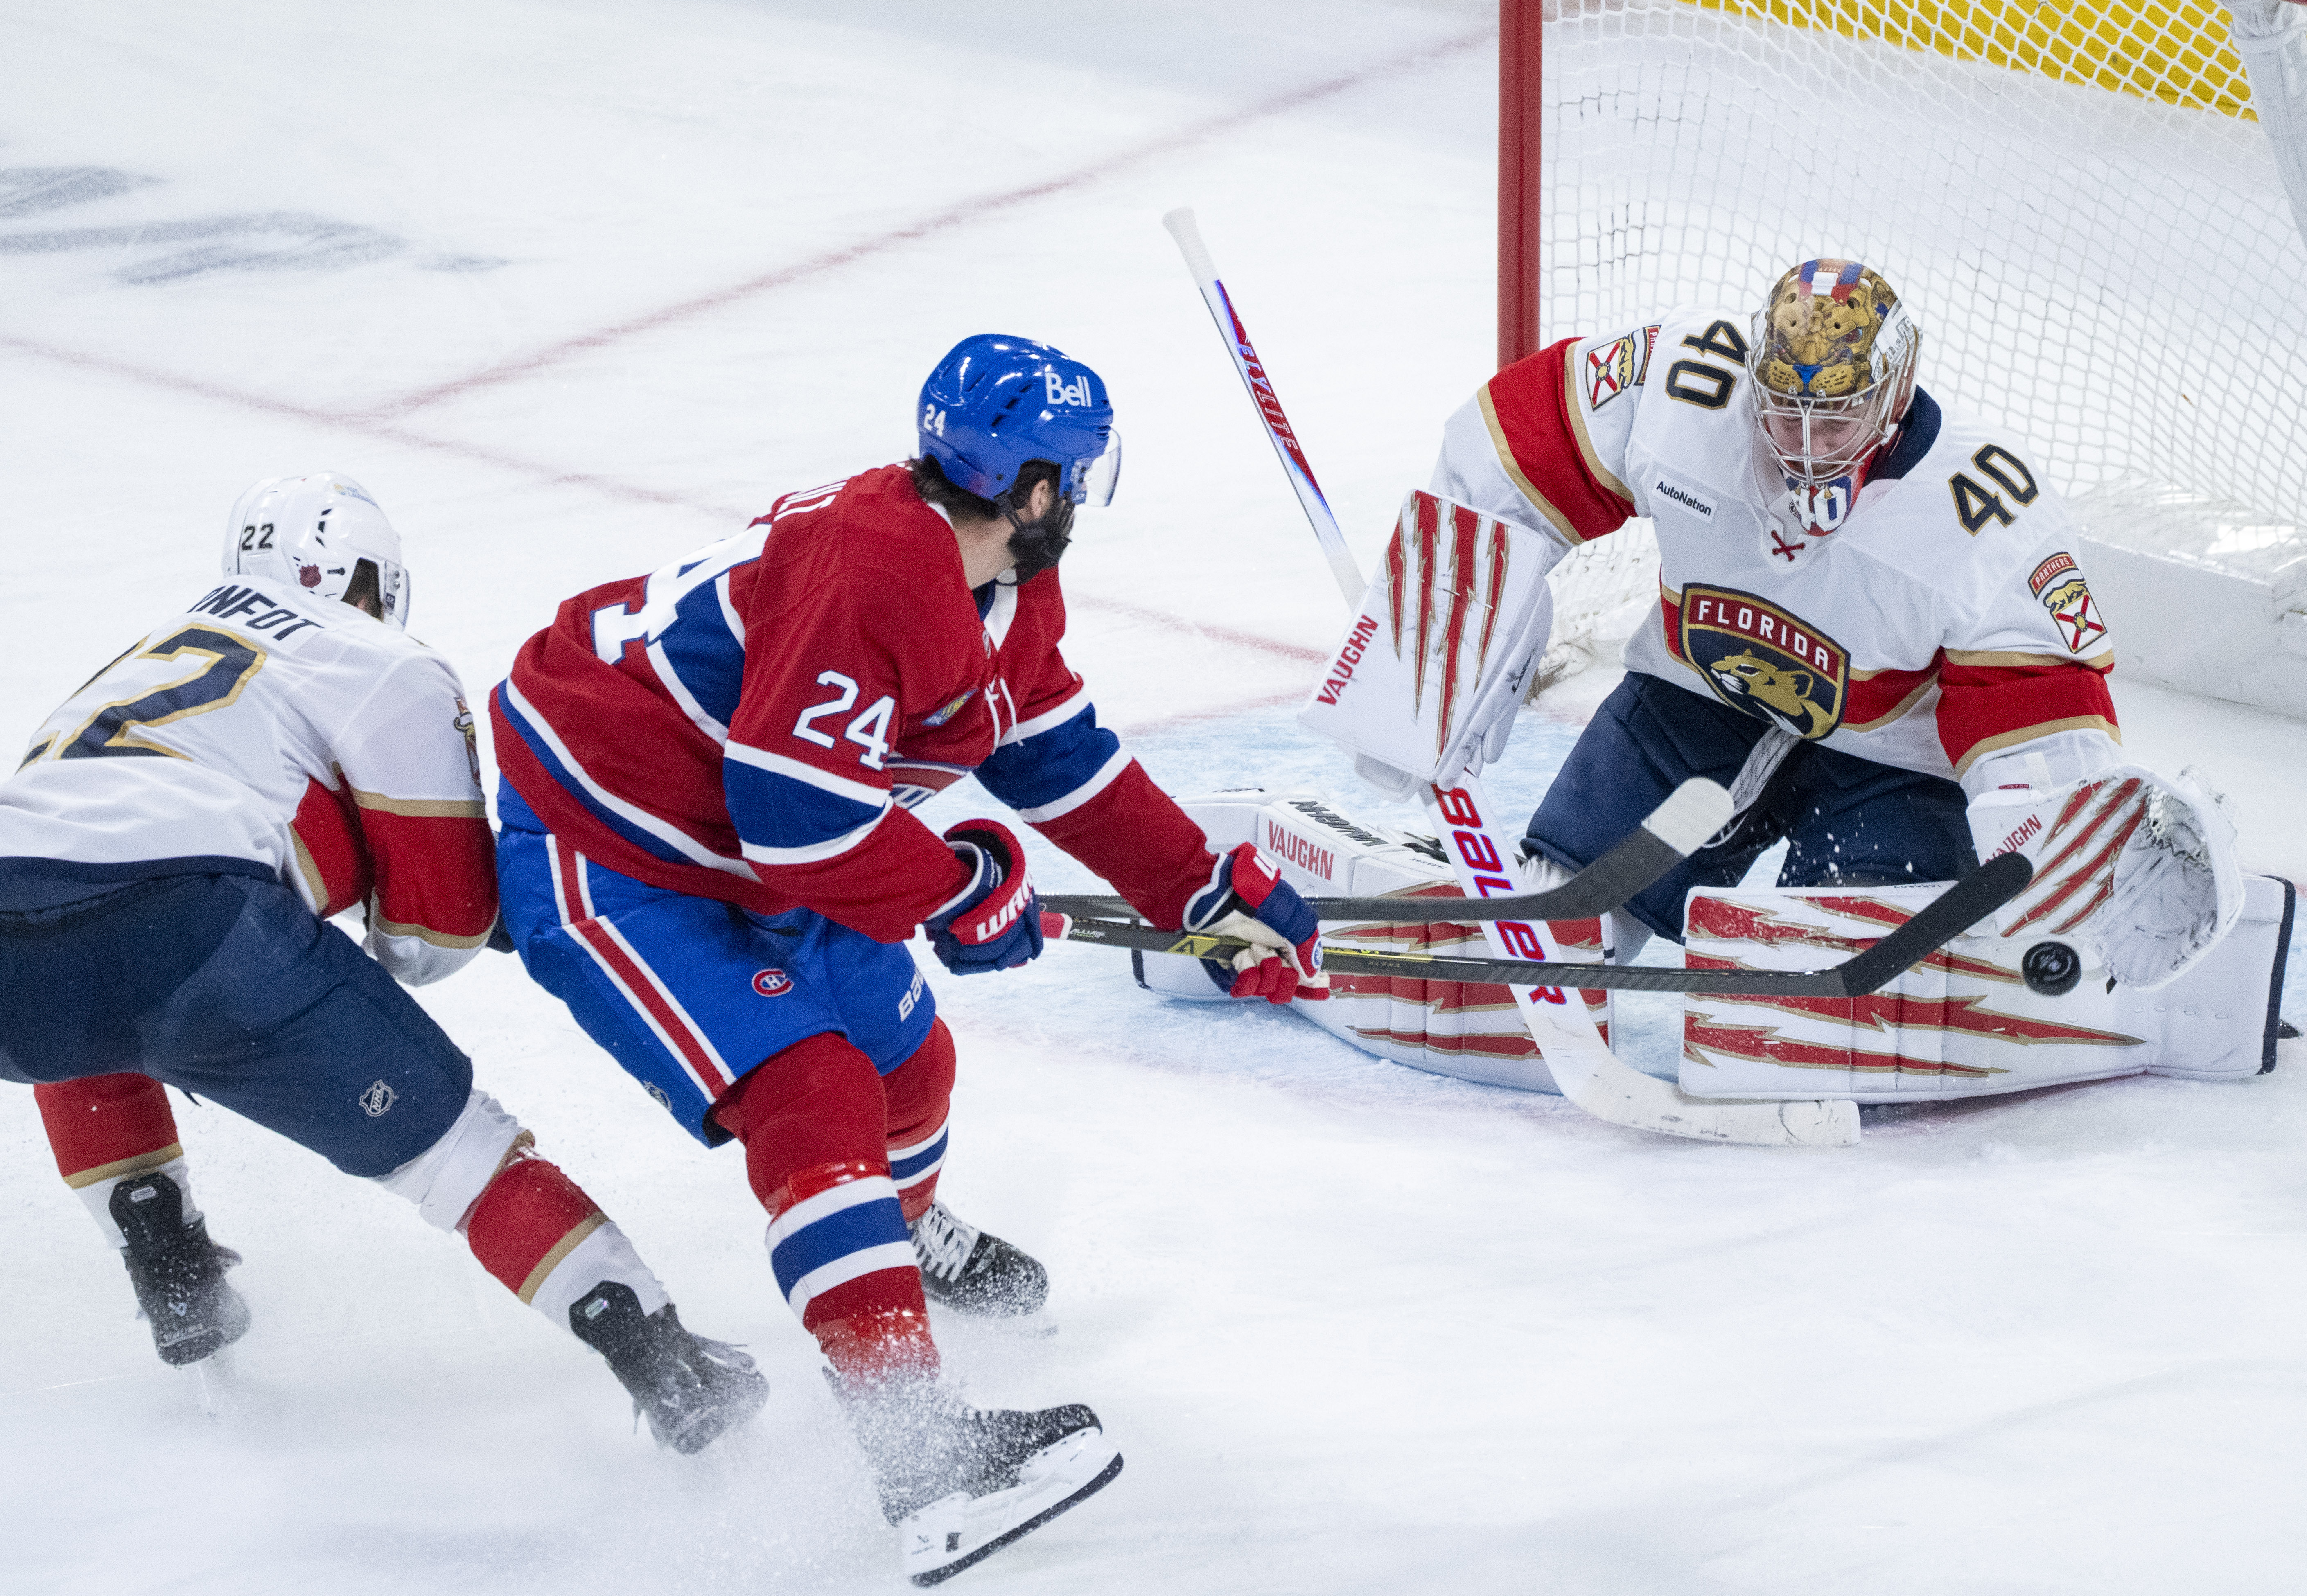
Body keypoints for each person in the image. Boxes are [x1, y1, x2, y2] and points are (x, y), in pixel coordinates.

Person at [490, 333, 1327, 1583]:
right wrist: (957, 888)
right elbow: (792, 815)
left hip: (752, 844)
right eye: (1079, 477)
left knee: (905, 1062)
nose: (1083, 502)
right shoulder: (873, 571)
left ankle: (897, 1235)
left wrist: (1199, 889)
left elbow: (1050, 752)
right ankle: (919, 1455)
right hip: (613, 846)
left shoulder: (997, 580)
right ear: (1036, 489)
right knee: (811, 1091)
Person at [4, 473, 766, 1455]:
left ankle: (169, 1263)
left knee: (81, 999)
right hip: (198, 927)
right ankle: (668, 1366)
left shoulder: (142, 653)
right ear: (367, 575)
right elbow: (435, 933)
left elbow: (72, 878)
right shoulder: (373, 652)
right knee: (462, 1156)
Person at [1359, 258, 2234, 997]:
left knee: (1845, 983)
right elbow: (1514, 443)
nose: (1805, 444)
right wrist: (1433, 643)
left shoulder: (1982, 510)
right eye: (1783, 409)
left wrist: (2046, 863)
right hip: (1689, 703)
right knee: (1564, 929)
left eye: (1837, 416)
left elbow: (2032, 712)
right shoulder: (1682, 387)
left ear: (1893, 395)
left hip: (1890, 766)